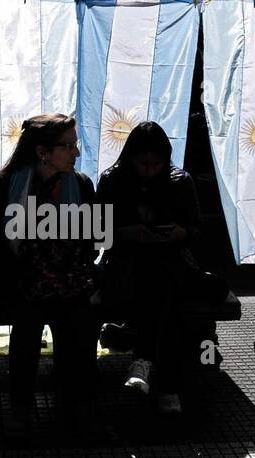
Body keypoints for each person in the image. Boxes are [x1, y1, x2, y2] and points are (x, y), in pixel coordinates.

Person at [0, 113, 99, 434]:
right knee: (27, 329)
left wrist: (68, 272)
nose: (76, 152)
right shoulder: (5, 185)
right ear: (43, 151)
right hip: (20, 278)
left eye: (76, 145)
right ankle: (21, 406)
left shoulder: (82, 185)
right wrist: (31, 275)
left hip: (69, 278)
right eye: (68, 146)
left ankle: (75, 401)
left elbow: (93, 241)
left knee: (77, 326)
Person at [96, 121, 227, 415]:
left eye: (156, 164)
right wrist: (128, 233)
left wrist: (179, 233)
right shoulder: (113, 181)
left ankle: (143, 361)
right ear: (130, 158)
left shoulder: (179, 181)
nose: (149, 170)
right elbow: (98, 233)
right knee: (167, 297)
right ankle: (168, 387)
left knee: (162, 284)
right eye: (143, 163)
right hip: (131, 263)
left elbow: (195, 229)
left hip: (168, 261)